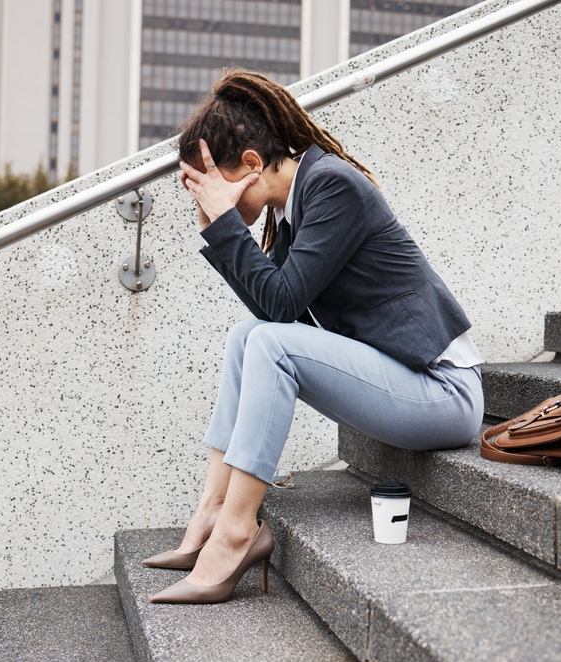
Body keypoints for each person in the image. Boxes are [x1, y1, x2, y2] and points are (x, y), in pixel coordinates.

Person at [143, 70, 484, 604]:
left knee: (270, 343)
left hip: (443, 393)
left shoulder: (332, 186)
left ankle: (237, 532)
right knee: (247, 336)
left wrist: (223, 226)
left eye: (210, 188)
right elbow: (273, 309)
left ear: (252, 165)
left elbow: (282, 308)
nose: (204, 207)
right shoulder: (291, 204)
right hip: (403, 383)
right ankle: (212, 512)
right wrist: (224, 223)